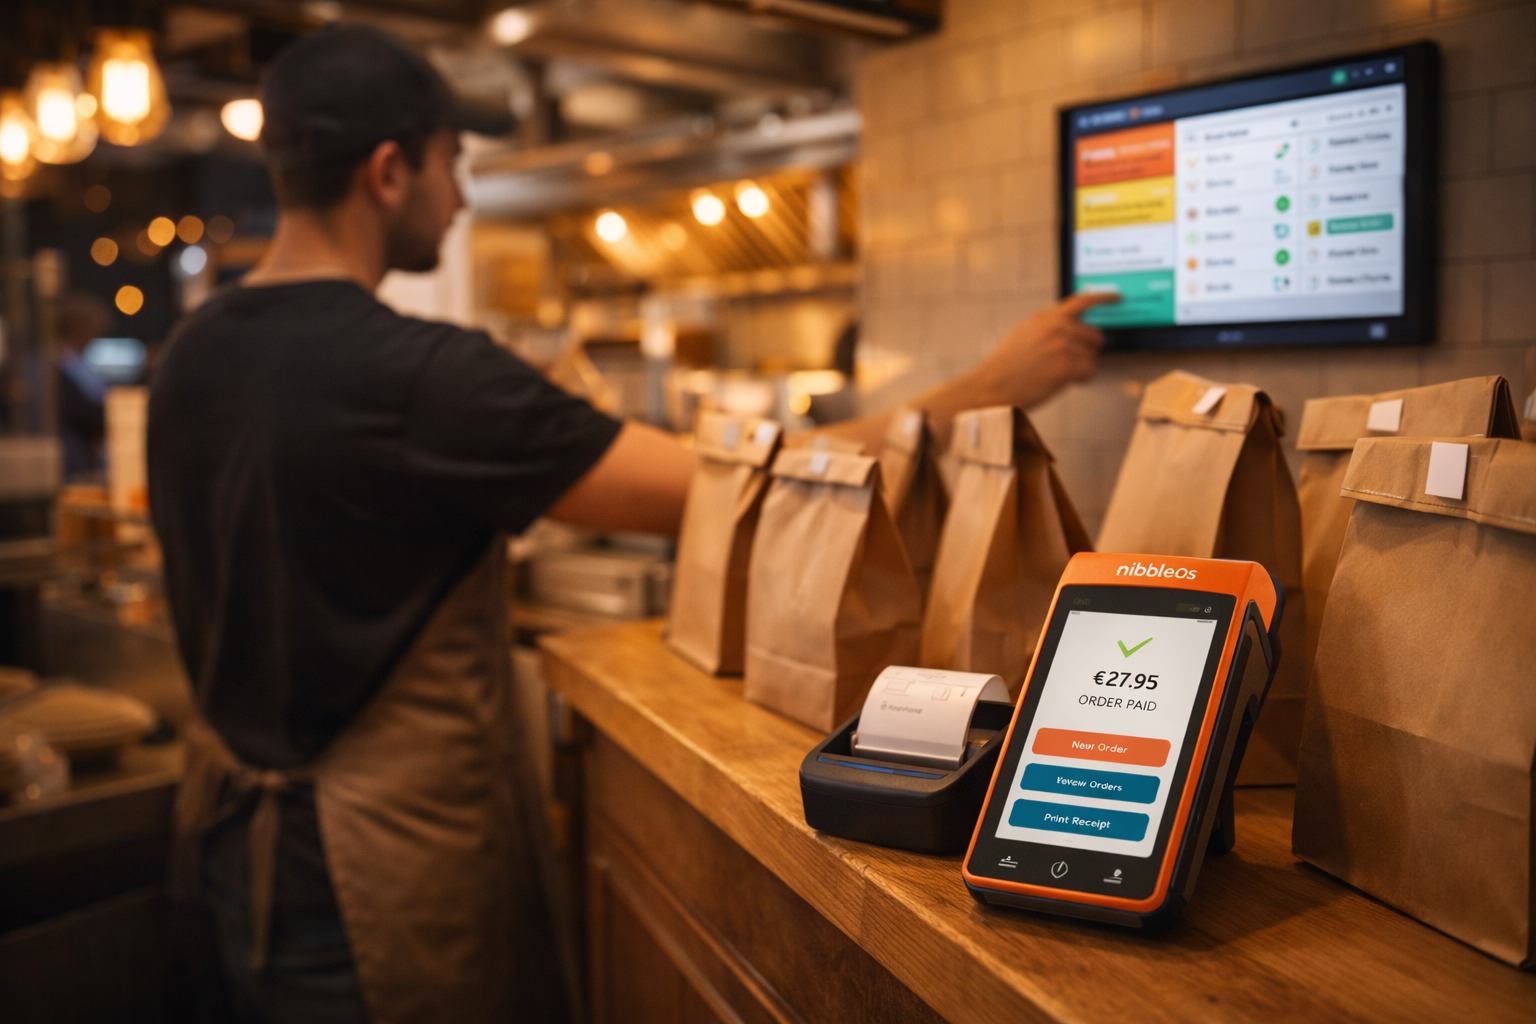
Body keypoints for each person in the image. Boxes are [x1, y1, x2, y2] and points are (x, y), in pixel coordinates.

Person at [147, 25, 1114, 1024]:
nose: (465, 197)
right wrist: (981, 392)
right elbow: (731, 483)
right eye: (454, 165)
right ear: (390, 170)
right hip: (368, 873)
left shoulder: (189, 355)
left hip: (225, 844)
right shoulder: (423, 375)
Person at [54, 291, 113, 480]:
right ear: (79, 329)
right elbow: (81, 410)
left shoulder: (76, 364)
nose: (94, 337)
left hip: (83, 454)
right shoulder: (58, 365)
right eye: (92, 330)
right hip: (70, 459)